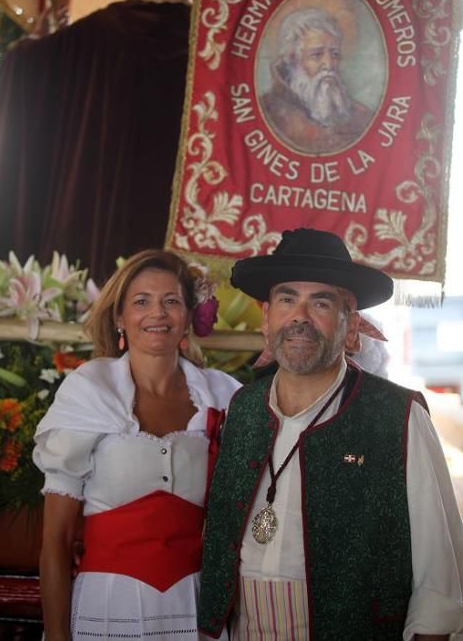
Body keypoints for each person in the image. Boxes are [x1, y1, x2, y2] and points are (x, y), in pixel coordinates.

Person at [198, 228, 463, 640]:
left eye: (320, 302)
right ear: (267, 319)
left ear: (350, 323)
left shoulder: (399, 415)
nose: (299, 316)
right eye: (287, 299)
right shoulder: (243, 407)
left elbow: (439, 580)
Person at [33, 249, 241, 640]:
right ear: (119, 318)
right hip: (107, 606)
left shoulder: (223, 394)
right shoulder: (90, 390)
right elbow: (55, 542)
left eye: (171, 301)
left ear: (187, 317)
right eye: (142, 301)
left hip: (195, 607)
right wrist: (57, 635)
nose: (157, 313)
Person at [261, 7, 373, 155]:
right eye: (316, 54)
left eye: (334, 54)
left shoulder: (362, 116)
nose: (328, 64)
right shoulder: (268, 113)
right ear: (292, 58)